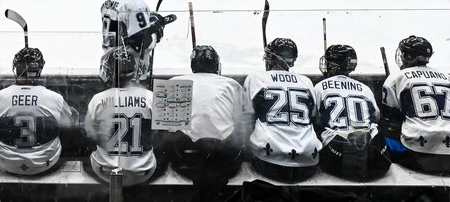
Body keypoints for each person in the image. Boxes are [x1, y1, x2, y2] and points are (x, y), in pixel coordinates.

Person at [165, 45, 249, 195]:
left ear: (193, 65)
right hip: (222, 154)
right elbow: (239, 122)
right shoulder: (232, 85)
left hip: (186, 153)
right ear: (216, 65)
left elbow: (168, 127)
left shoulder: (174, 81)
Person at [381, 36, 450, 174]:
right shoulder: (448, 78)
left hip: (417, 155)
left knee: (382, 137)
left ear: (407, 56)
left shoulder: (396, 78)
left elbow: (391, 122)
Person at [242, 38, 320, 182]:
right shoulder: (306, 81)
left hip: (268, 160)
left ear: (270, 58)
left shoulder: (256, 77)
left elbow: (247, 117)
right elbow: (313, 117)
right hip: (308, 159)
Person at [0, 47, 79, 175]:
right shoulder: (55, 98)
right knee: (69, 121)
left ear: (16, 68)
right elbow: (70, 125)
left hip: (6, 162)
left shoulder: (0, 96)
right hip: (45, 163)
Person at [84, 46, 162, 187]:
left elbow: (90, 134)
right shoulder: (150, 97)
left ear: (109, 71)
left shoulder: (98, 99)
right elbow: (157, 134)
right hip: (143, 170)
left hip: (105, 171)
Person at [313, 44, 391, 181]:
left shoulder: (320, 87)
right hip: (372, 158)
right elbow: (376, 117)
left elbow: (314, 118)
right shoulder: (365, 88)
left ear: (333, 65)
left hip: (336, 157)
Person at [101, 0, 163, 81]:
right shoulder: (136, 4)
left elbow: (124, 29)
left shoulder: (108, 3)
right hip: (131, 71)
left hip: (109, 66)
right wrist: (156, 31)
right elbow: (141, 43)